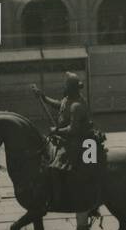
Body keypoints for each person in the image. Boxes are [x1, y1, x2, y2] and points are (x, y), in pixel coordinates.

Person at [31, 72, 95, 210]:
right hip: (67, 139)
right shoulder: (68, 99)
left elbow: (73, 129)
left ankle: (58, 200)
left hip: (77, 141)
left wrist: (56, 131)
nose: (64, 87)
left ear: (72, 88)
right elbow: (59, 104)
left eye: (66, 85)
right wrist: (43, 97)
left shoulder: (77, 105)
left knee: (54, 168)